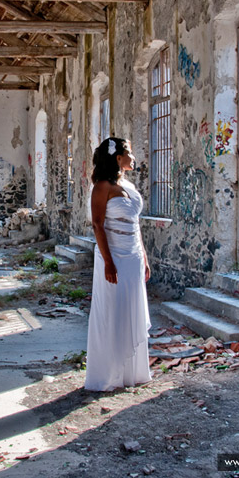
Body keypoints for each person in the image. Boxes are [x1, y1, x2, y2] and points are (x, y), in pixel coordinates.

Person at [85, 137, 152, 391]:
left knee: (130, 308)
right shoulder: (102, 187)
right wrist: (108, 263)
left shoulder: (127, 185)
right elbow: (97, 225)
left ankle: (131, 373)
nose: (133, 158)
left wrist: (144, 257)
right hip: (113, 256)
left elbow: (136, 225)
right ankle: (107, 375)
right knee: (112, 311)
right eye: (129, 153)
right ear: (117, 158)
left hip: (133, 256)